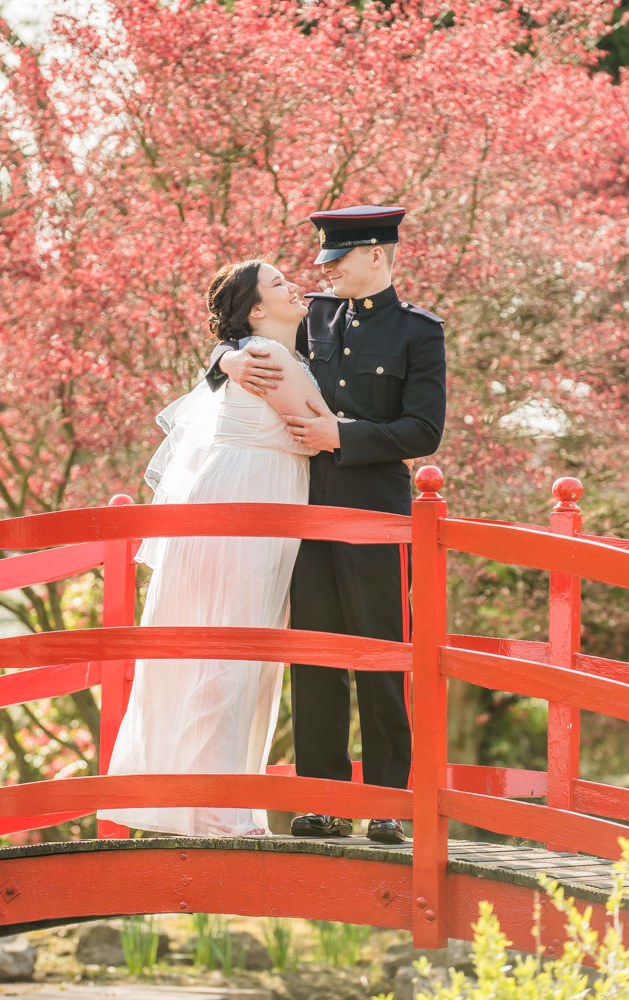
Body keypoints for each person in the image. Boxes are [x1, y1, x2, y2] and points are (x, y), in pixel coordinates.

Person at [206, 205, 446, 844]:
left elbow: (424, 430)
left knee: (381, 655)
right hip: (306, 511)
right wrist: (225, 361)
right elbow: (238, 328)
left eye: (338, 261)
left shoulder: (419, 332)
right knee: (313, 657)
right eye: (323, 263)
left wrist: (342, 435)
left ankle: (391, 804)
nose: (327, 272)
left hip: (378, 514)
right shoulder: (309, 316)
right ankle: (323, 801)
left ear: (377, 256)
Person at [98, 259, 333, 838]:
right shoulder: (270, 357)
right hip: (246, 509)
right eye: (278, 284)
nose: (293, 285)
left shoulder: (259, 354)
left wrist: (222, 356)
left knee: (232, 653)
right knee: (231, 650)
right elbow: (322, 425)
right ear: (256, 310)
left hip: (256, 503)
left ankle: (215, 803)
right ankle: (219, 810)